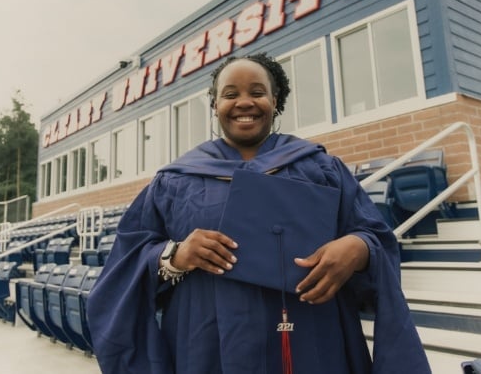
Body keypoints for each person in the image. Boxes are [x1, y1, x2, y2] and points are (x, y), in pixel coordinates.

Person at [87, 53, 431, 374]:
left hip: (311, 338)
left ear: (276, 101)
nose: (244, 102)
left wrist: (358, 249)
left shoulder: (321, 168)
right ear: (215, 105)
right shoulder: (175, 181)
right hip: (207, 345)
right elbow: (125, 263)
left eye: (258, 92)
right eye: (230, 94)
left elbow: (374, 236)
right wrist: (174, 255)